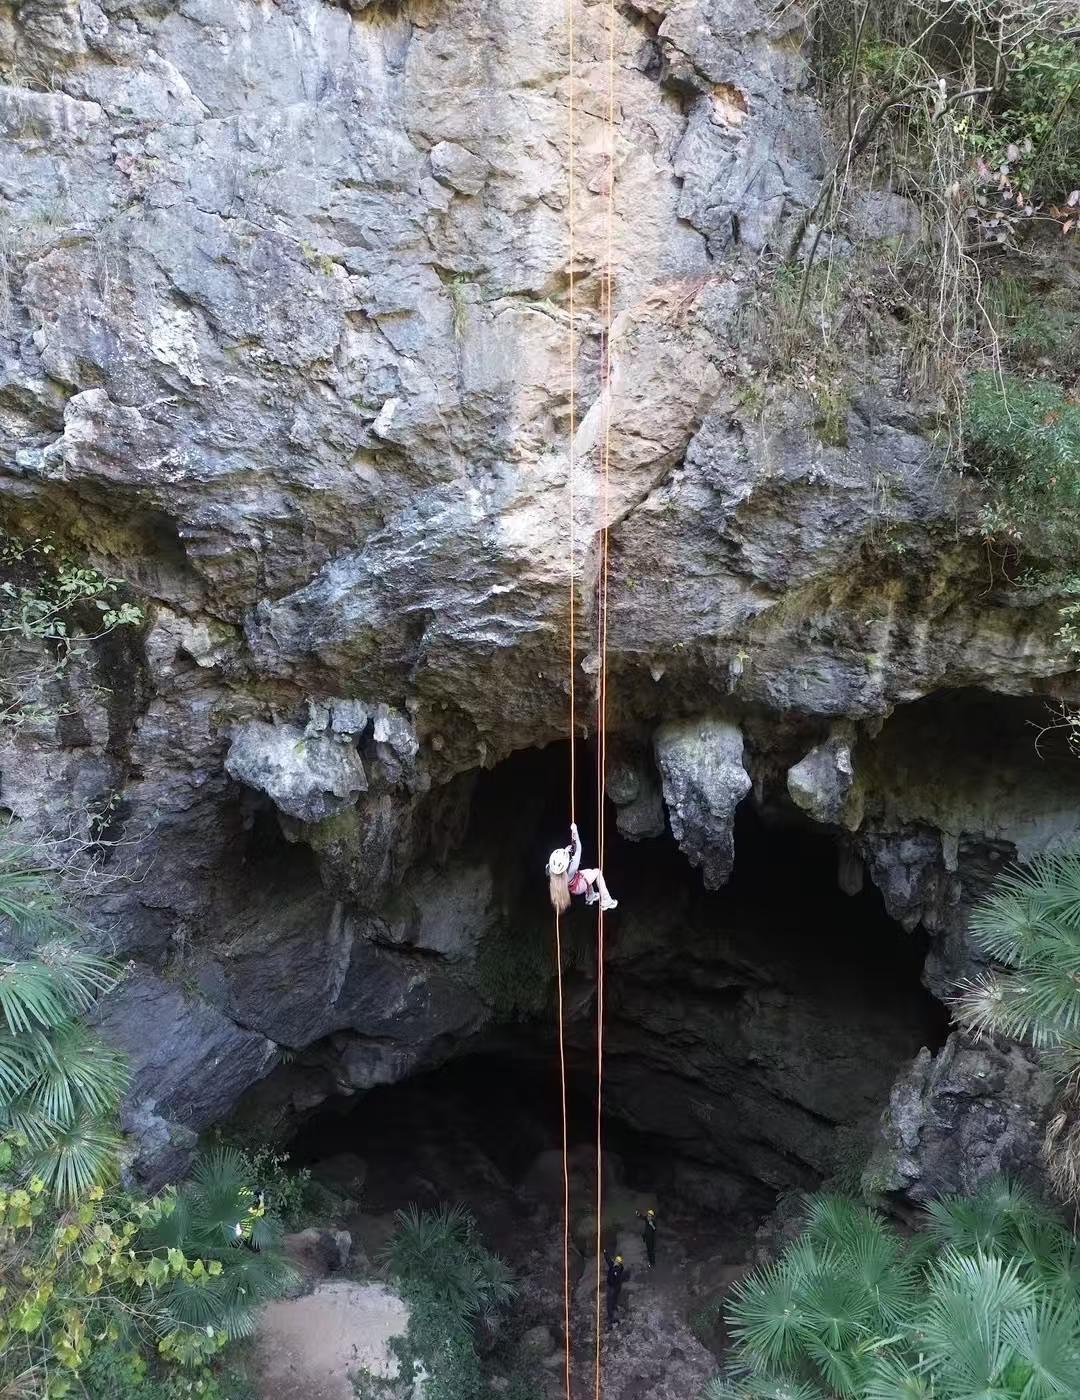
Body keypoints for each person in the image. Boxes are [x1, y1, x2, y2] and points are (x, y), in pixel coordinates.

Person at [546, 822, 618, 914]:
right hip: (579, 885)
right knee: (597, 872)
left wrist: (565, 851)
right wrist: (575, 832)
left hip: (574, 886)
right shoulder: (571, 869)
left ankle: (590, 896)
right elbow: (578, 848)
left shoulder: (551, 870)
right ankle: (606, 900)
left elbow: (558, 866)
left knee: (588, 874)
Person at [603, 1250, 625, 1328]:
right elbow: (608, 1260)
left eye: (617, 1261)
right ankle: (613, 1310)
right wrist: (605, 1253)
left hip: (612, 1288)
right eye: (616, 1260)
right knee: (613, 1300)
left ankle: (611, 1317)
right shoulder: (614, 1266)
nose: (616, 1262)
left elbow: (618, 1278)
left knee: (609, 1302)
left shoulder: (617, 1270)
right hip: (612, 1287)